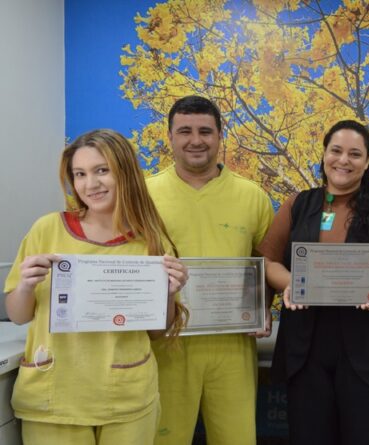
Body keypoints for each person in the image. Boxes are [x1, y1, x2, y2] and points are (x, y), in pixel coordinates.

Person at [4, 129, 187, 444]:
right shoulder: (47, 229)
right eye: (80, 174)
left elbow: (157, 332)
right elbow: (19, 316)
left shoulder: (151, 240)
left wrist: (168, 294)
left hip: (126, 398)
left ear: (125, 173)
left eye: (102, 170)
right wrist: (24, 286)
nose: (91, 184)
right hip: (54, 398)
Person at [258, 119, 369, 445]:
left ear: (367, 161)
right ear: (324, 153)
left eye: (355, 154)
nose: (343, 160)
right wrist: (291, 283)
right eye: (336, 151)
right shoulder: (298, 204)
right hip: (307, 346)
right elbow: (269, 262)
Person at [147, 96, 274, 445]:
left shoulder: (253, 197)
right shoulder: (143, 194)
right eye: (184, 131)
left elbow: (267, 263)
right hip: (166, 345)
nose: (196, 140)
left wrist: (264, 305)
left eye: (206, 131)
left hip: (232, 346)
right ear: (170, 137)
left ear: (220, 136)